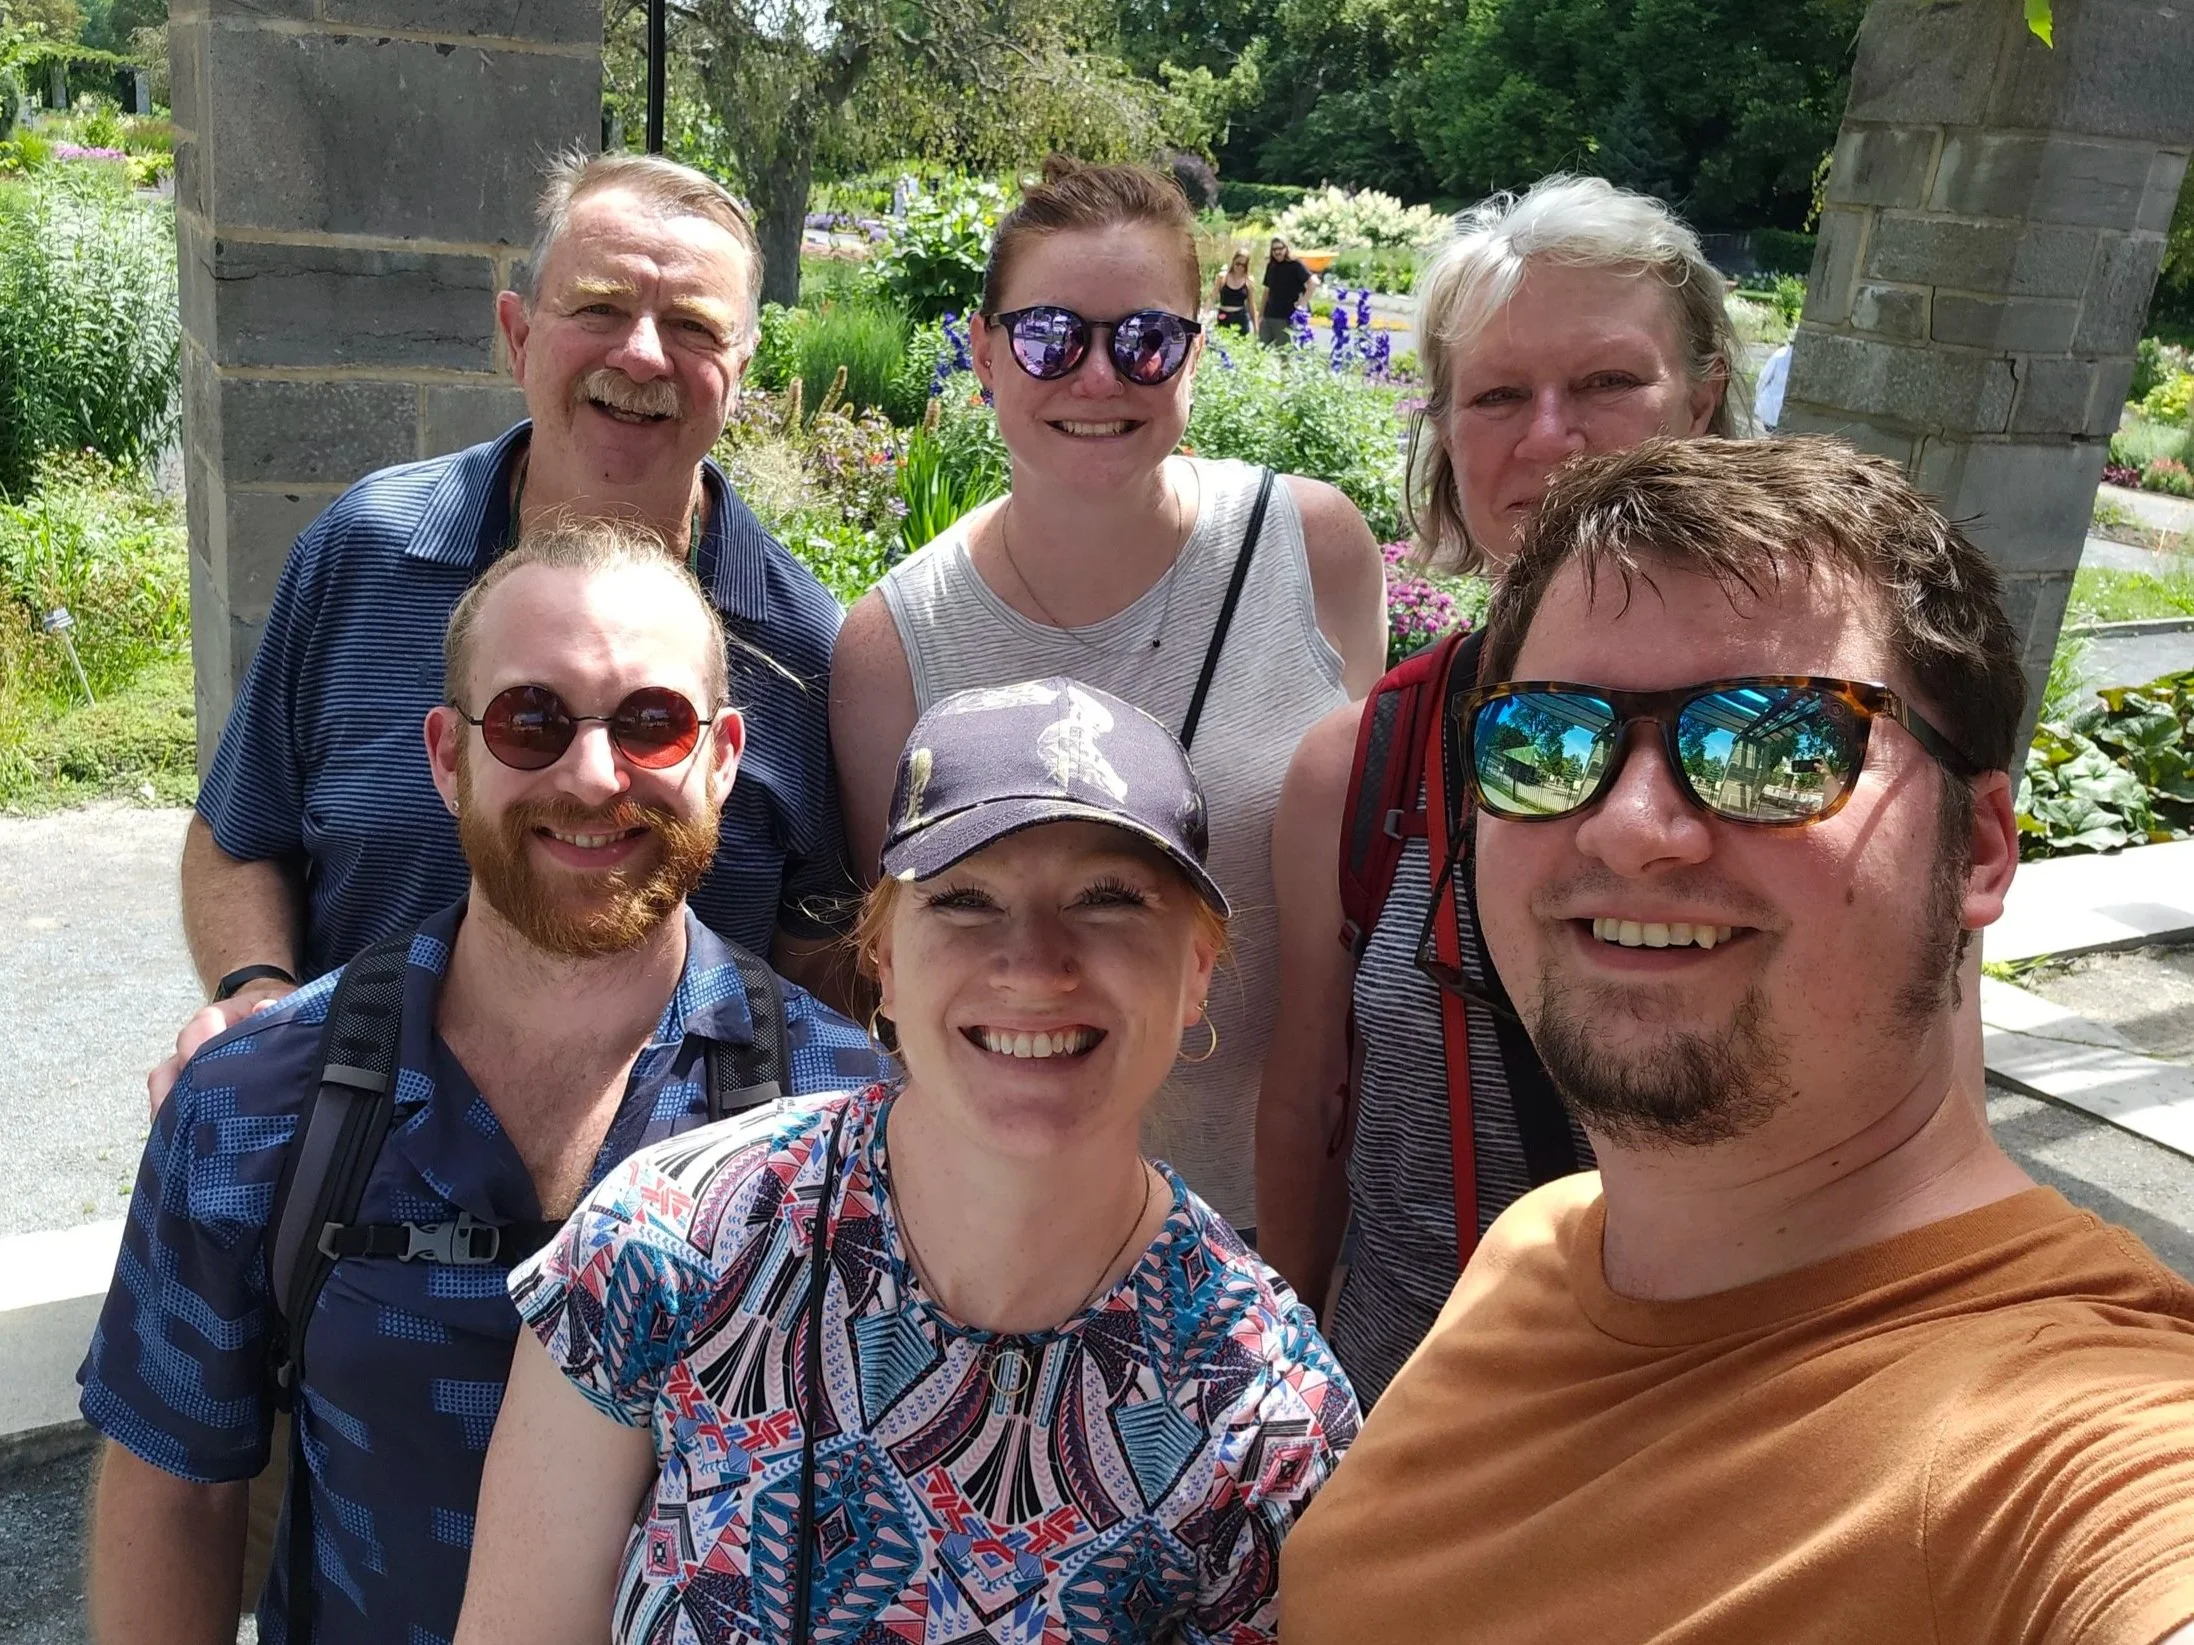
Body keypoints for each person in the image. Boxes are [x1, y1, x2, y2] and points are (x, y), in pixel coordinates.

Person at [1278, 436, 2194, 1643]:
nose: (1636, 826)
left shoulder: (2056, 1436)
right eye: (1546, 737)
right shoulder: (1541, 1247)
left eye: (1773, 744)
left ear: (1976, 848)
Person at [80, 524, 894, 1645]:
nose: (594, 776)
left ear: (722, 756)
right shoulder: (259, 1104)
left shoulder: (850, 1124)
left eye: (651, 723)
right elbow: (175, 1493)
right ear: (445, 755)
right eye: (531, 721)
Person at [454, 677, 1360, 1645]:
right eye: (965, 900)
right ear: (882, 959)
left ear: (1196, 969)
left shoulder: (1267, 1413)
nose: (1035, 964)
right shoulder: (676, 1236)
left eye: (1108, 899)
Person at [155, 147, 859, 1108]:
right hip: (352, 1174)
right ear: (517, 335)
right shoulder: (365, 554)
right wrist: (257, 996)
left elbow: (819, 955)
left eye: (692, 325)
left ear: (739, 371)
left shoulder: (801, 645)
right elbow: (240, 835)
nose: (643, 354)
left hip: (674, 1210)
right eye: (600, 307)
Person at [832, 159, 1386, 1237]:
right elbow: (905, 979)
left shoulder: (1311, 552)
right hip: (1015, 1235)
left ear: (1194, 351)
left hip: (1290, 1215)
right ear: (985, 352)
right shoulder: (895, 643)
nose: (1098, 377)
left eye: (1143, 341)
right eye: (1049, 336)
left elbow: (1367, 911)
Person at [1256, 174, 1739, 1402]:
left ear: (1707, 397)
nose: (1548, 439)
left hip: (1704, 1432)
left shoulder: (1810, 752)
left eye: (1607, 384)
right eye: (1498, 396)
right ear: (1446, 433)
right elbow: (1312, 1101)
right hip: (1400, 1419)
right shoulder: (1361, 766)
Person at [1258, 236, 1313, 346]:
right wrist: (1261, 314)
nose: (1277, 252)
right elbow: (1267, 290)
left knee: (1284, 355)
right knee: (1260, 351)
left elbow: (1313, 282)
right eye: (1274, 249)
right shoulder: (1271, 266)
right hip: (1269, 316)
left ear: (1286, 248)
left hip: (1286, 318)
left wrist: (1302, 304)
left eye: (1280, 248)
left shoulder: (1295, 265)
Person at [1212, 246, 1255, 334]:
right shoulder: (1222, 277)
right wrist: (1203, 316)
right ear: (1233, 261)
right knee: (1221, 344)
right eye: (1238, 263)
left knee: (1239, 346)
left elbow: (1251, 305)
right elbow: (1212, 297)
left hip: (1240, 318)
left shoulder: (1249, 280)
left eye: (1243, 265)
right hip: (1223, 316)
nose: (1240, 267)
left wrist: (1256, 328)